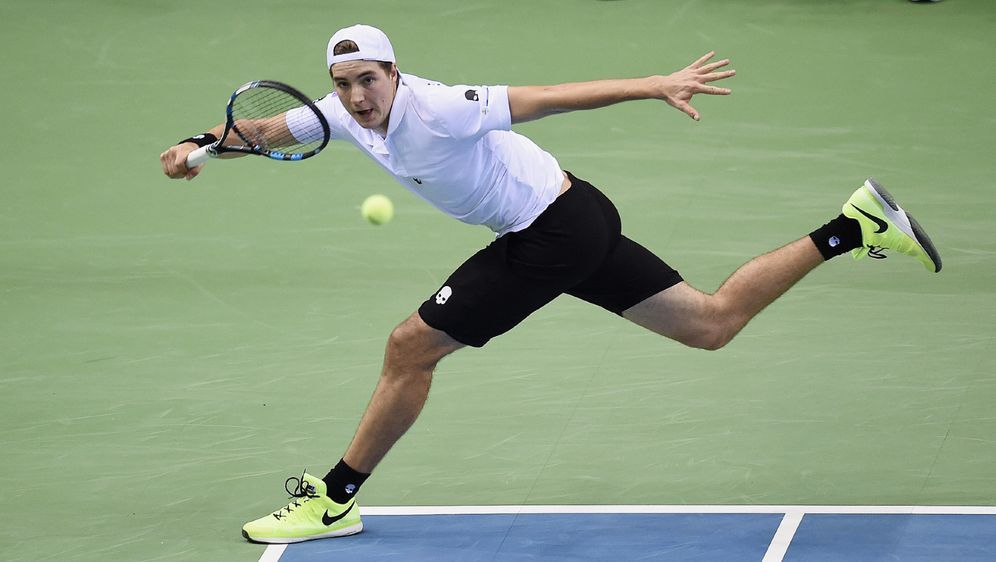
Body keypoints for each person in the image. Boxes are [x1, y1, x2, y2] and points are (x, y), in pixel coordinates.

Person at [160, 24, 941, 544]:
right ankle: (854, 227)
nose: (359, 97)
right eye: (345, 83)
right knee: (710, 323)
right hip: (578, 217)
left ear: (395, 72)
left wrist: (650, 83)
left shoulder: (440, 109)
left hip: (550, 232)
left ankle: (333, 499)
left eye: (369, 80)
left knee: (408, 348)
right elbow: (261, 131)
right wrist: (201, 146)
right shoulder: (340, 111)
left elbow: (546, 98)